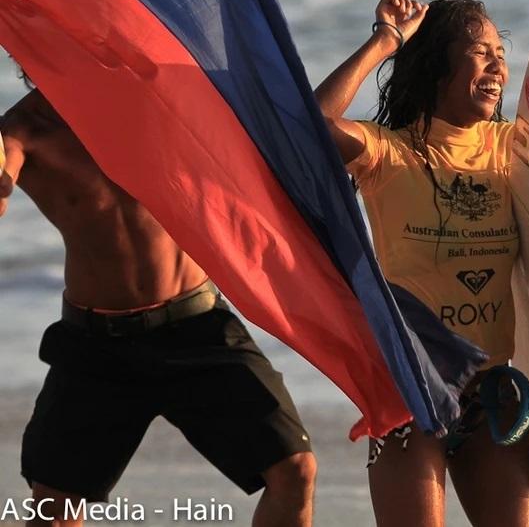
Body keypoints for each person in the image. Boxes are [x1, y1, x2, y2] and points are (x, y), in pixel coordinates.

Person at [315, 0, 529, 526]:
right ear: (436, 66)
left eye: (501, 53)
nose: (497, 66)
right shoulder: (386, 153)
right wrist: (386, 40)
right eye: (479, 51)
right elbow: (308, 127)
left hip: (491, 394)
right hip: (410, 391)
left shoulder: (518, 150)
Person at [0, 83, 317, 527]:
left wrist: (381, 47)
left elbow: (268, 121)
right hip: (96, 347)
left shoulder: (158, 100)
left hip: (196, 328)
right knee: (54, 511)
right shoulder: (23, 131)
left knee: (294, 470)